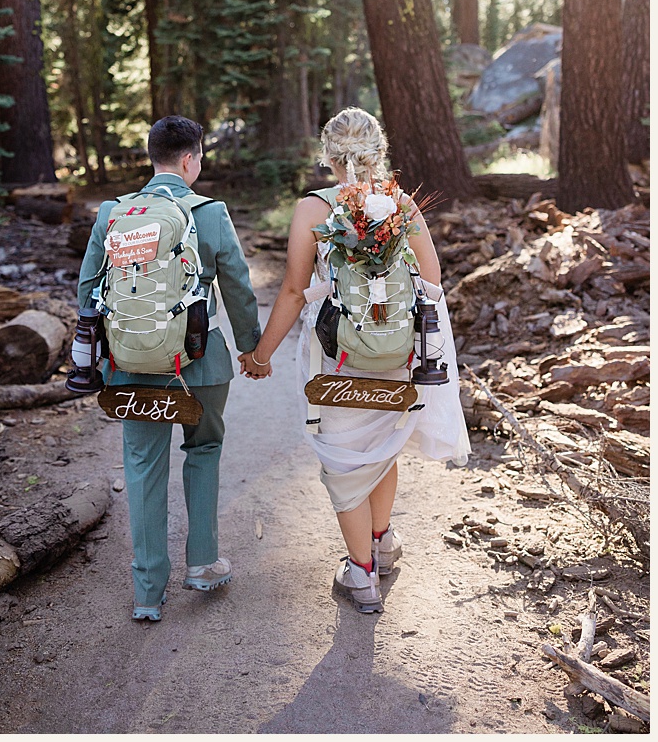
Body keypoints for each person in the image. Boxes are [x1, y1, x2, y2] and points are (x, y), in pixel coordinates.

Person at [240, 107, 469, 614]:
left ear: (328, 155)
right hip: (395, 353)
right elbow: (431, 283)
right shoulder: (403, 203)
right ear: (378, 149)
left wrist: (261, 354)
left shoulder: (313, 209)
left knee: (343, 459)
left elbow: (296, 292)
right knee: (381, 447)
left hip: (337, 356)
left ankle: (361, 574)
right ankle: (381, 545)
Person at [72, 116, 262, 622]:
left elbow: (87, 289)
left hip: (130, 367)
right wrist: (251, 349)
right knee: (203, 447)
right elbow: (239, 289)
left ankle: (147, 592)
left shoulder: (113, 214)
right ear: (190, 159)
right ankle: (202, 563)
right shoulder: (210, 212)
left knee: (142, 464)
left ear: (152, 157)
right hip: (197, 366)